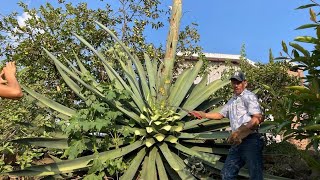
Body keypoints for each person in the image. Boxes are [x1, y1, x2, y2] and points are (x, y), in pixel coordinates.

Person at [190, 71, 264, 180]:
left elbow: (257, 118)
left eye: (238, 82)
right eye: (234, 82)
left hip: (251, 140)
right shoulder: (232, 101)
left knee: (255, 175)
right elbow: (220, 115)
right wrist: (203, 114)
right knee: (227, 174)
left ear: (245, 83)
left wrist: (241, 131)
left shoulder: (249, 97)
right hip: (237, 141)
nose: (236, 85)